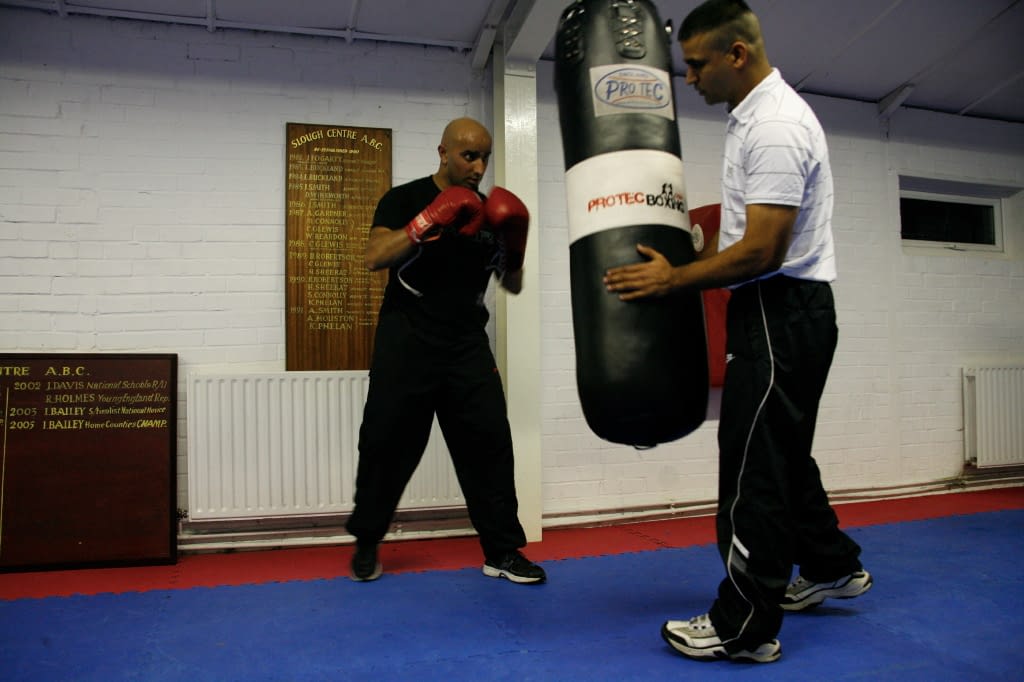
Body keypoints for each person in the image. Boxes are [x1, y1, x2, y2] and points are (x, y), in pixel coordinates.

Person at [604, 0, 870, 664]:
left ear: (737, 55)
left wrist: (675, 279)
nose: (689, 78)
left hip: (780, 311)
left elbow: (762, 252)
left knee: (754, 472)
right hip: (786, 315)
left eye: (696, 65)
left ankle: (746, 626)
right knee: (780, 457)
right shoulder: (757, 117)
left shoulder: (775, 126)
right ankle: (833, 566)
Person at [345, 117, 545, 585]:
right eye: (468, 156)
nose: (478, 166)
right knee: (385, 444)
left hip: (466, 343)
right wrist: (425, 222)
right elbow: (374, 256)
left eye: (484, 157)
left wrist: (515, 243)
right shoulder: (405, 198)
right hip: (406, 335)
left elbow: (510, 284)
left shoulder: (489, 213)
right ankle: (368, 541)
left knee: (490, 442)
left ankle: (502, 551)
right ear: (443, 152)